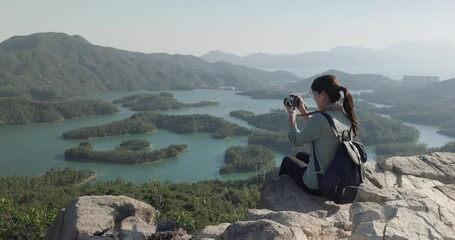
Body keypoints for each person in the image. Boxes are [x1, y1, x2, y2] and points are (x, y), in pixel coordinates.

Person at [279, 75, 358, 196]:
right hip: (337, 179)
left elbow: (296, 141)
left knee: (286, 161)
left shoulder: (320, 119)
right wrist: (302, 110)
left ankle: (280, 198)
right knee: (300, 155)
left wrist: (291, 114)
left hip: (319, 185)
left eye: (314, 94)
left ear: (323, 95)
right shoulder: (345, 116)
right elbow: (319, 128)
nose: (314, 98)